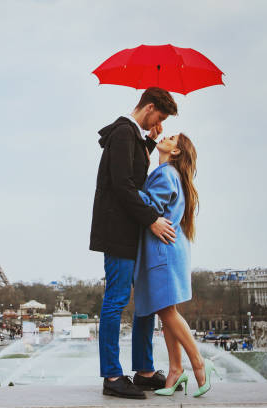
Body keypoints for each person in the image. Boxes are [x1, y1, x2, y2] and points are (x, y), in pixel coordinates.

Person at [90, 87, 178, 399]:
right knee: (116, 301)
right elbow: (124, 185)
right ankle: (113, 376)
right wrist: (153, 219)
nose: (161, 121)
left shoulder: (132, 136)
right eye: (161, 116)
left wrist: (152, 141)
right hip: (119, 231)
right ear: (150, 107)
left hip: (129, 229)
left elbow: (134, 176)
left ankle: (143, 370)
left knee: (144, 301)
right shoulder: (125, 134)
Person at [133, 133, 218, 398]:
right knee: (166, 311)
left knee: (166, 312)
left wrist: (126, 187)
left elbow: (150, 206)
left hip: (162, 254)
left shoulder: (165, 174)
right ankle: (174, 369)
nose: (165, 136)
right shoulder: (171, 174)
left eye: (172, 137)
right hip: (169, 251)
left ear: (177, 152)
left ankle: (199, 363)